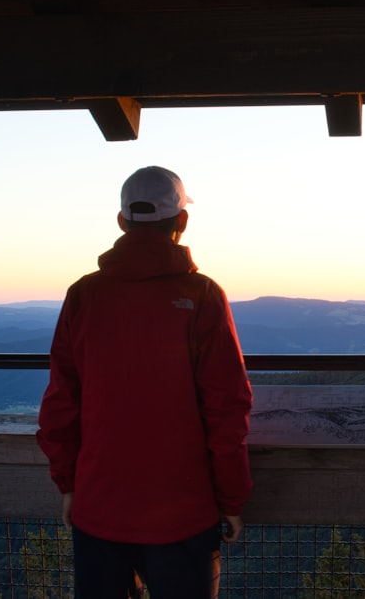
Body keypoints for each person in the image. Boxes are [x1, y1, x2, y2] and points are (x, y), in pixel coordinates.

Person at [37, 165, 253, 598]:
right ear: (182, 221)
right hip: (184, 515)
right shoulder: (203, 296)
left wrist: (69, 484)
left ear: (122, 221)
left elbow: (61, 402)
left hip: (97, 509)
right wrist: (231, 498)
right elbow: (227, 408)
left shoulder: (83, 295)